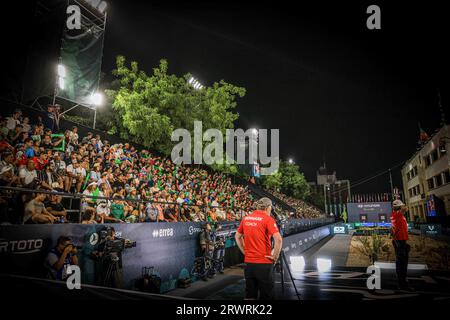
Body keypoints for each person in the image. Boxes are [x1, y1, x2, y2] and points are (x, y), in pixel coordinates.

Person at [235, 197, 282, 300]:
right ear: (268, 207)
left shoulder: (246, 218)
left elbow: (237, 236)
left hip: (249, 263)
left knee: (250, 295)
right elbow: (278, 239)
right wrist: (275, 256)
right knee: (267, 295)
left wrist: (245, 252)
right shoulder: (268, 219)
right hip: (264, 262)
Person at [391, 199, 414, 291]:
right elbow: (406, 208)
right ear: (399, 207)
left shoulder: (394, 215)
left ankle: (401, 283)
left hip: (399, 241)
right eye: (401, 206)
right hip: (400, 241)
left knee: (400, 263)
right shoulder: (398, 215)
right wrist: (402, 203)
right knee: (402, 264)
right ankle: (403, 285)